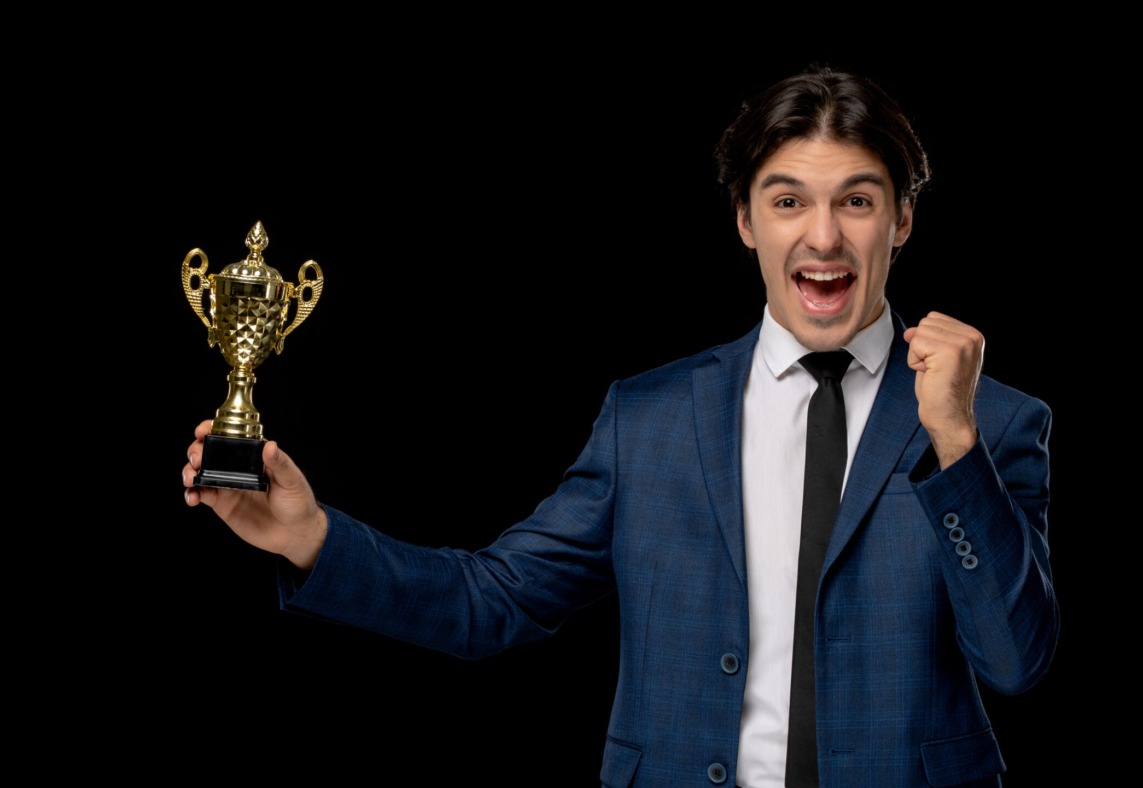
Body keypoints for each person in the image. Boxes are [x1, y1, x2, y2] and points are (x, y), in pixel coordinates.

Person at [180, 66, 1056, 788]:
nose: (823, 237)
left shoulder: (998, 422)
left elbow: (1016, 663)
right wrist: (312, 538)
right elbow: (494, 601)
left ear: (901, 218)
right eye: (788, 201)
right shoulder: (651, 419)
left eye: (856, 201)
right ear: (746, 220)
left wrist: (956, 445)